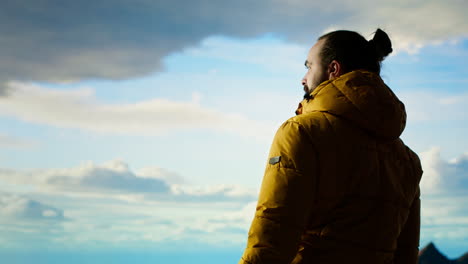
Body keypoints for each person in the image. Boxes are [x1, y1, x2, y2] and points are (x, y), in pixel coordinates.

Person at [238, 29, 423, 264]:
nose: (303, 78)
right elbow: (406, 254)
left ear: (333, 70)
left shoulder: (302, 132)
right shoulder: (407, 160)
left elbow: (274, 234)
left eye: (309, 66)